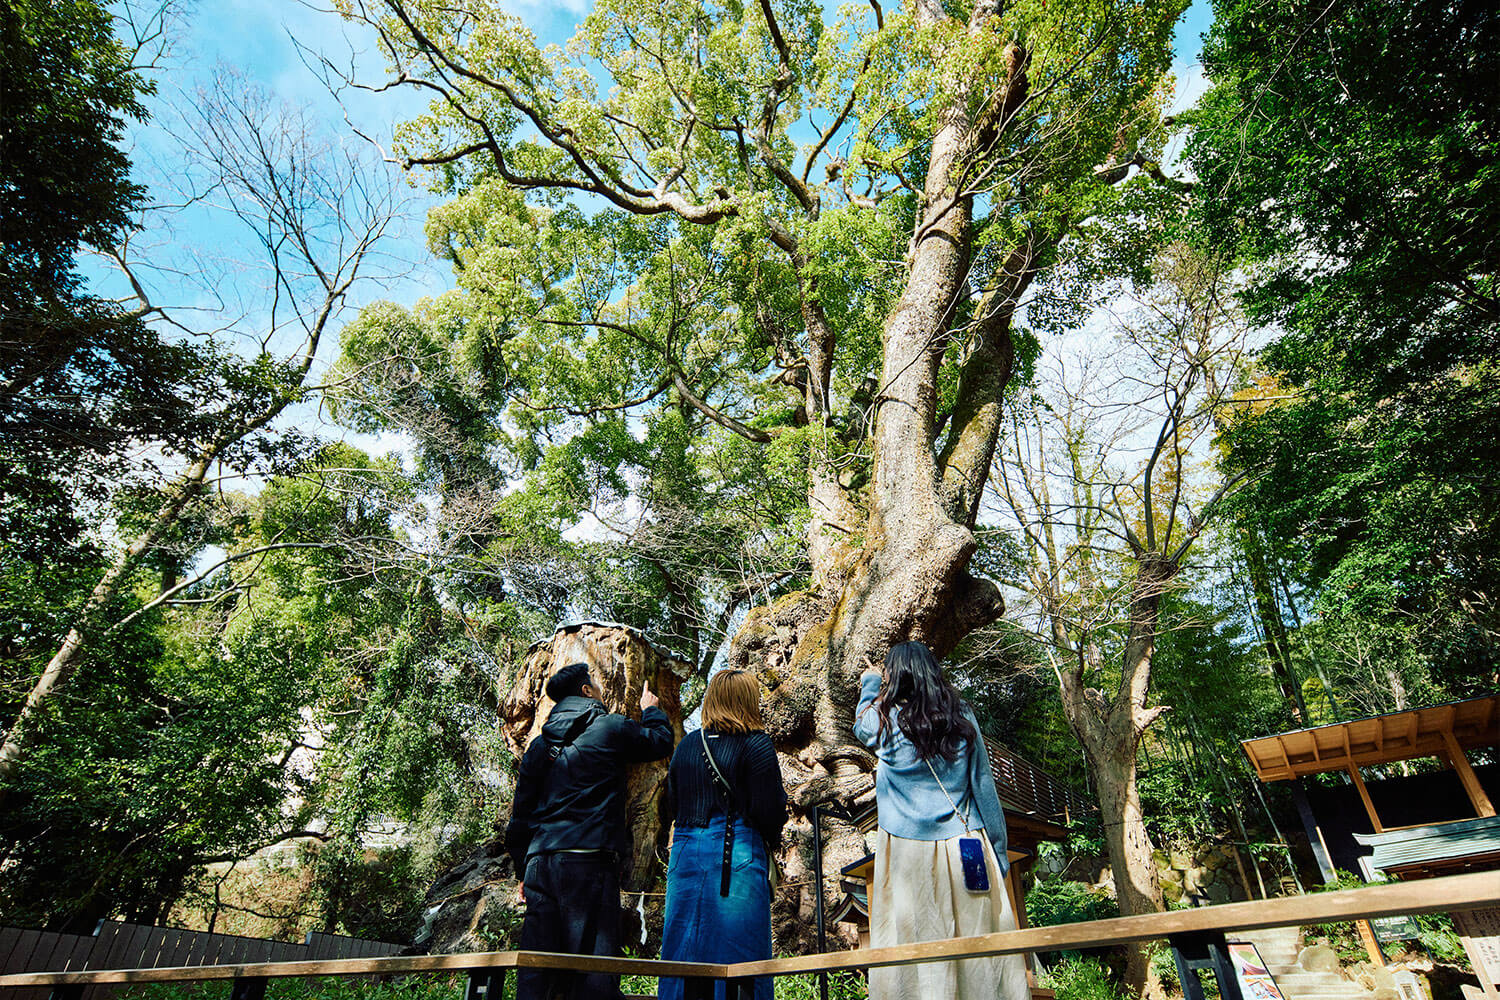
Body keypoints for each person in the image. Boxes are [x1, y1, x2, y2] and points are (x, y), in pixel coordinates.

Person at [853, 641, 1029, 1000]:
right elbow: (983, 786)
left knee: (914, 949)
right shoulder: (960, 716)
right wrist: (996, 850)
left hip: (906, 854)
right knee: (977, 949)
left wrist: (870, 682)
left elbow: (861, 725)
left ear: (895, 677)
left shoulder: (883, 720)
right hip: (965, 845)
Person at [505, 661, 675, 1000]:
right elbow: (659, 743)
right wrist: (651, 710)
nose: (599, 690)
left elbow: (521, 816)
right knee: (595, 970)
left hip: (541, 865)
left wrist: (524, 869)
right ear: (586, 691)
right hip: (589, 863)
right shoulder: (610, 728)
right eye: (596, 685)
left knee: (538, 970)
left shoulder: (538, 747)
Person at [658, 669, 786, 1000]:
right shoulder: (756, 745)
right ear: (748, 700)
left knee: (684, 950)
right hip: (737, 854)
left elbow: (670, 802)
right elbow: (769, 810)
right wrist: (771, 842)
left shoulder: (687, 744)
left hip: (685, 855)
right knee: (740, 954)